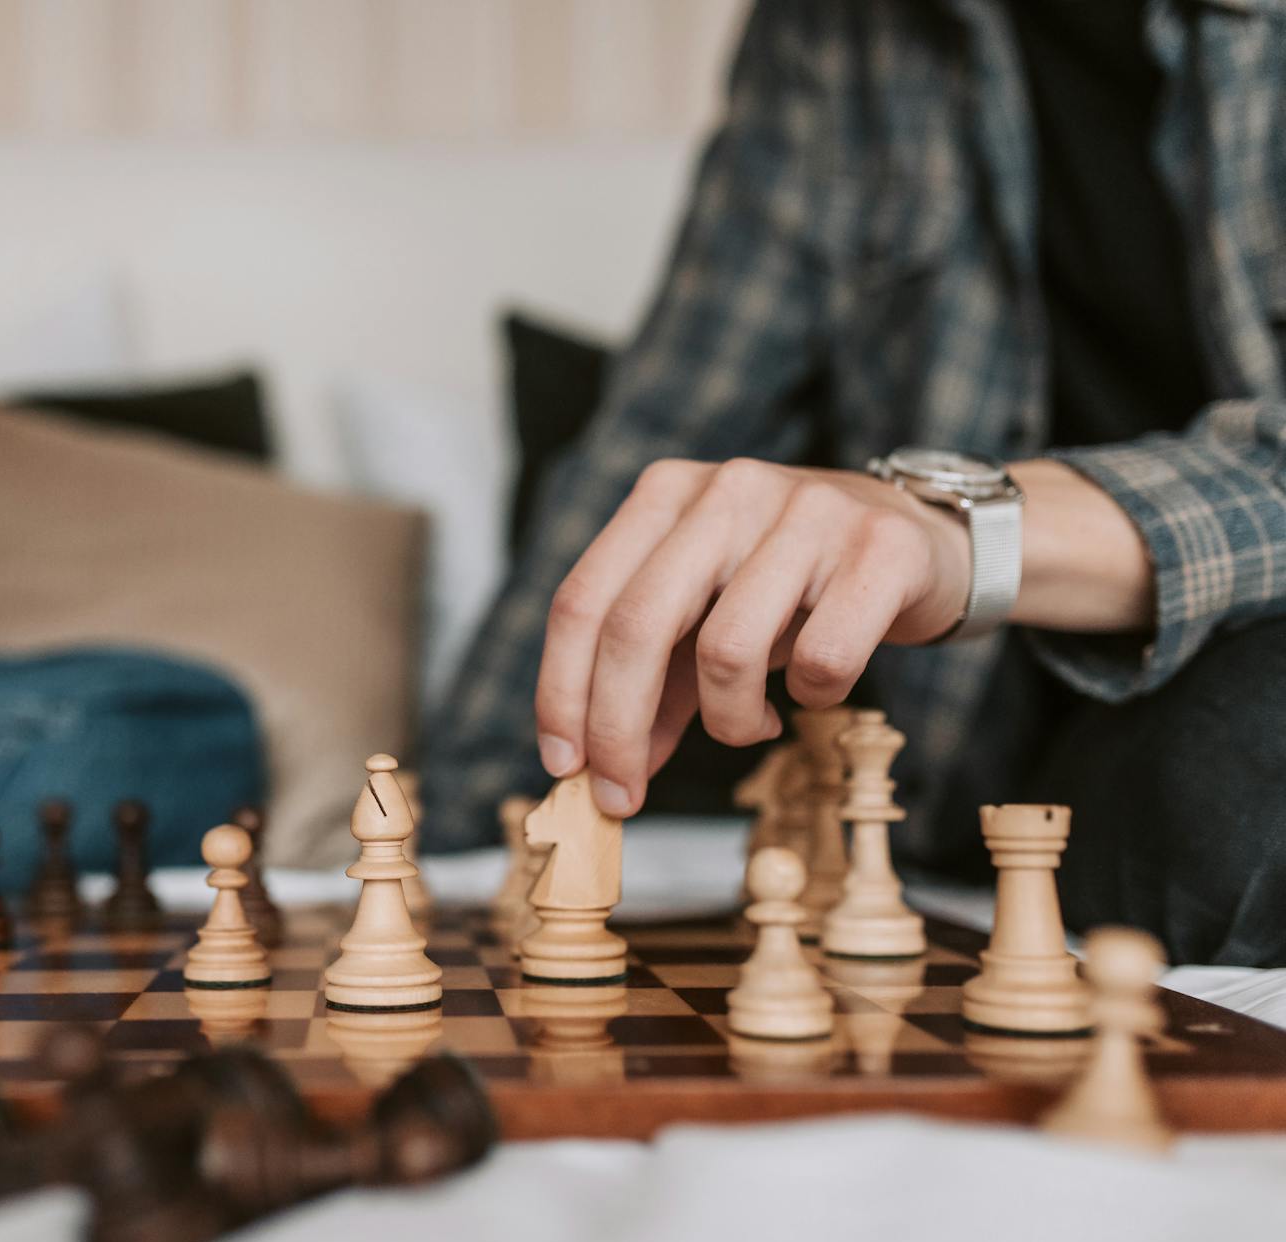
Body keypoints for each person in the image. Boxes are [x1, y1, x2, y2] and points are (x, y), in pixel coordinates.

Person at [421, 0, 1286, 966]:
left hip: (1232, 717)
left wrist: (959, 533)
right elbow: (670, 431)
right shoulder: (831, 30)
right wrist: (450, 827)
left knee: (1232, 772)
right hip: (978, 759)